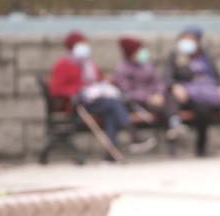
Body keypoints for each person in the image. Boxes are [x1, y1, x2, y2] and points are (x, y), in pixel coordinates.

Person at [49, 31, 156, 160]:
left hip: (98, 101)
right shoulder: (63, 65)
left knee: (112, 112)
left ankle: (109, 155)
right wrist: (79, 90)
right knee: (113, 104)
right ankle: (133, 135)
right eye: (81, 44)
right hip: (79, 104)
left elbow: (98, 79)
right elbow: (56, 90)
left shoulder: (89, 64)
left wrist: (106, 84)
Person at [164, 26, 220, 157]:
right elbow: (167, 77)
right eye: (185, 39)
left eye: (191, 39)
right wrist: (175, 87)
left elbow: (217, 77)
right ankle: (201, 146)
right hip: (190, 96)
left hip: (211, 94)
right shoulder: (176, 56)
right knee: (202, 110)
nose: (187, 42)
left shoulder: (205, 56)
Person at [113, 36, 187, 140]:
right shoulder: (122, 69)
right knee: (162, 106)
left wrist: (159, 93)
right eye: (139, 50)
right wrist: (148, 98)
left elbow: (158, 81)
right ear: (131, 53)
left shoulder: (146, 65)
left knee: (169, 97)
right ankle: (173, 126)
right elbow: (127, 91)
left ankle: (175, 124)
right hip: (140, 102)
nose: (142, 52)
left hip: (156, 97)